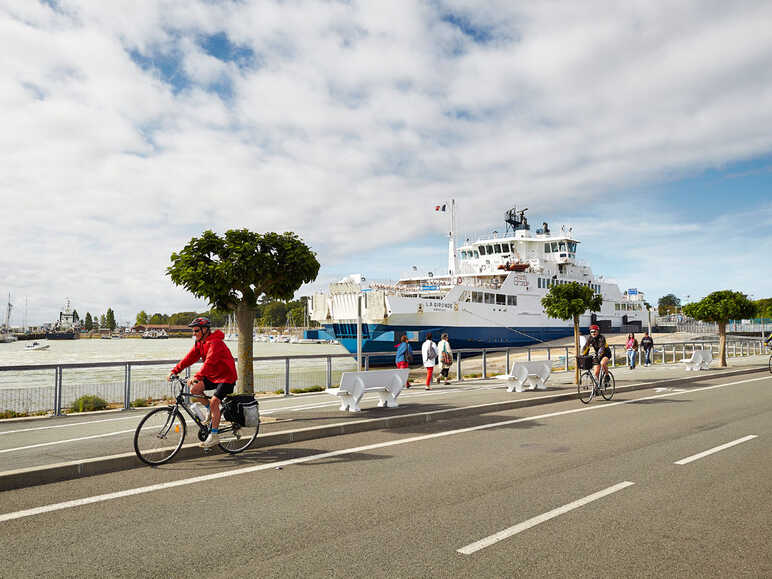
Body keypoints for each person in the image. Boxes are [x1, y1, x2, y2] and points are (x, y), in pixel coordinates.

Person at [167, 317, 237, 448]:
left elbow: (210, 362)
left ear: (205, 330)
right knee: (195, 390)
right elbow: (189, 358)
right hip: (213, 376)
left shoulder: (215, 343)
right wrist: (174, 371)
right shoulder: (200, 343)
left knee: (215, 402)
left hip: (226, 377)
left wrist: (197, 376)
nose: (194, 333)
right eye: (193, 331)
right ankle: (210, 412)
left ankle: (214, 436)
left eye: (196, 330)